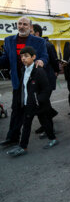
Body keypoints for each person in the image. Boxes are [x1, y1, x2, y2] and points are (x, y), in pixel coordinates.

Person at [0, 16, 48, 147]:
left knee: (39, 108)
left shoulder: (39, 41)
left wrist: (42, 61)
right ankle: (13, 137)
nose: (22, 26)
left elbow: (44, 55)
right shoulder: (9, 40)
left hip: (33, 82)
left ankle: (50, 131)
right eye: (19, 24)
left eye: (25, 24)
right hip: (18, 81)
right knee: (16, 109)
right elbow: (5, 58)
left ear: (30, 27)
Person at [5, 46, 58, 157]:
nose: (23, 59)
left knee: (45, 122)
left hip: (39, 105)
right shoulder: (24, 69)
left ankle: (53, 139)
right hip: (28, 104)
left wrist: (38, 100)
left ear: (33, 57)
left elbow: (46, 89)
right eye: (21, 56)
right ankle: (23, 146)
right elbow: (23, 87)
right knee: (26, 125)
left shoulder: (39, 71)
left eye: (26, 56)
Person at [32, 24, 60, 136]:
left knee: (43, 103)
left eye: (31, 31)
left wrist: (56, 71)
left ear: (37, 33)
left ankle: (49, 128)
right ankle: (45, 125)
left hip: (47, 79)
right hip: (37, 80)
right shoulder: (32, 45)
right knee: (42, 103)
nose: (29, 34)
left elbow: (54, 60)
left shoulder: (47, 45)